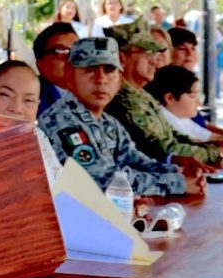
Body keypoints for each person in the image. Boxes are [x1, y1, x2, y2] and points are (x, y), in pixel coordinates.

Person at [37, 38, 199, 196]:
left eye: (109, 70)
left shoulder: (108, 122)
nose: (101, 79)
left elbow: (136, 161)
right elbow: (100, 181)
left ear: (119, 80)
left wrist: (179, 172)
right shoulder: (61, 121)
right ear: (70, 77)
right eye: (90, 69)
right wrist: (178, 183)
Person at [103, 22, 219, 168]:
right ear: (122, 57)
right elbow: (162, 149)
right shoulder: (122, 100)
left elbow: (174, 135)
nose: (154, 60)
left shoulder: (142, 95)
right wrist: (213, 152)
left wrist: (214, 146)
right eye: (147, 54)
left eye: (155, 54)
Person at [0, 60, 61, 185]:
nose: (17, 108)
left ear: (37, 106)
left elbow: (58, 184)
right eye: (5, 94)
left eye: (28, 100)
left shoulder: (38, 139)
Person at [145, 65, 220, 143]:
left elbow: (211, 137)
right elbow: (196, 146)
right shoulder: (165, 120)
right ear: (170, 98)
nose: (199, 103)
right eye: (192, 96)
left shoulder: (181, 116)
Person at [32, 22, 79, 115]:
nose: (71, 58)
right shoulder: (32, 99)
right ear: (40, 64)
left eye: (76, 51)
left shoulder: (94, 94)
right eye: (61, 51)